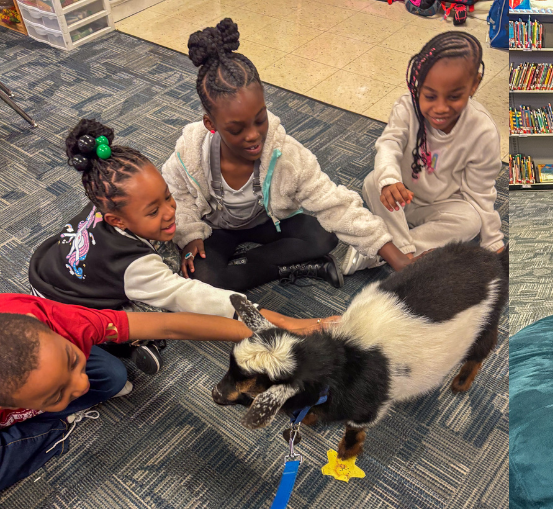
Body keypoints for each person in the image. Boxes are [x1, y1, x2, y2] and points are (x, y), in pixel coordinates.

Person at [162, 19, 413, 292]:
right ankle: (295, 266)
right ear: (211, 125)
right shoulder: (191, 152)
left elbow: (335, 205)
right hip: (217, 228)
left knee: (324, 236)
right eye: (236, 129)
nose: (253, 136)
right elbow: (176, 192)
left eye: (260, 120)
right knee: (201, 277)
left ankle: (248, 266)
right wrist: (189, 234)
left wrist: (398, 258)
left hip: (267, 222)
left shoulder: (286, 154)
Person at [29, 119, 243, 375]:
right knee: (157, 300)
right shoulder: (131, 264)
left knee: (163, 255)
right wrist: (251, 313)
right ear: (116, 220)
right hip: (72, 311)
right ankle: (131, 344)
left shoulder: (109, 199)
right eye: (153, 211)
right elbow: (188, 296)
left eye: (167, 196)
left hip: (49, 274)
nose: (170, 211)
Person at [0, 293, 256, 491]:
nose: (82, 386)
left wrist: (258, 334)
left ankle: (52, 397)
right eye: (55, 394)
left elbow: (167, 325)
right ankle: (47, 431)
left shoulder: (62, 321)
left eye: (71, 360)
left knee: (112, 376)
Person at [342, 31, 504, 275]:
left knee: (472, 221)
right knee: (374, 180)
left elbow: (481, 191)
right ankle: (404, 253)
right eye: (429, 96)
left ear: (475, 84)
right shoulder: (406, 107)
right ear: (417, 83)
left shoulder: (483, 131)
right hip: (398, 198)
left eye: (454, 96)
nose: (440, 108)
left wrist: (492, 243)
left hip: (441, 205)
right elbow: (389, 144)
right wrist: (390, 181)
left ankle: (380, 252)